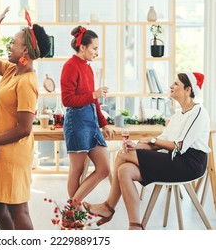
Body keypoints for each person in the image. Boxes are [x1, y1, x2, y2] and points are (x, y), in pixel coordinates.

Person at [83, 72, 210, 230]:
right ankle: (135, 225)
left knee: (122, 154)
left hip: (189, 163)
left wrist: (152, 140)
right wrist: (136, 146)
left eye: (176, 84)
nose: (171, 86)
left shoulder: (198, 112)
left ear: (187, 89)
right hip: (173, 159)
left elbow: (180, 146)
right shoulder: (178, 115)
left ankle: (108, 207)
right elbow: (160, 143)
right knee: (125, 170)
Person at [0, 8, 51, 230]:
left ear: (25, 51)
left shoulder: (27, 82)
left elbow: (24, 129)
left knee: (18, 209)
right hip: (1, 150)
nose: (9, 45)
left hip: (13, 152)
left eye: (14, 42)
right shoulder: (12, 70)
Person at [60, 26, 114, 208]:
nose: (97, 52)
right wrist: (93, 95)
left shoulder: (88, 68)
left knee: (104, 168)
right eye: (94, 48)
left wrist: (103, 123)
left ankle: (72, 207)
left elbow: (94, 100)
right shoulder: (69, 66)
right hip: (76, 122)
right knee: (77, 170)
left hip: (90, 122)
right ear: (82, 47)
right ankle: (74, 213)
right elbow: (67, 100)